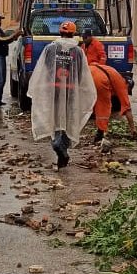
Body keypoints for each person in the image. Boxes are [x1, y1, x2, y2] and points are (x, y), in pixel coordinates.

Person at [27, 21, 97, 168]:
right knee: (68, 119)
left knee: (54, 117)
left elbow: (45, 68)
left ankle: (57, 146)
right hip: (71, 91)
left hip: (54, 89)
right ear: (73, 33)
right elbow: (81, 72)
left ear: (60, 32)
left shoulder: (50, 48)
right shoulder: (78, 51)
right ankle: (62, 147)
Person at [89, 62, 137, 145]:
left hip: (88, 72)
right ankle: (100, 133)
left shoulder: (113, 73)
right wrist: (133, 129)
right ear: (127, 85)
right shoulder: (122, 84)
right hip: (99, 79)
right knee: (104, 106)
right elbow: (127, 108)